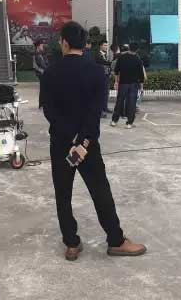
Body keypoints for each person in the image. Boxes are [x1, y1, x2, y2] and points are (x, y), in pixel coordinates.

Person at [41, 21, 146, 261]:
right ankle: (116, 241)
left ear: (64, 42)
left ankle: (71, 243)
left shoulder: (50, 72)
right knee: (100, 191)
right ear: (84, 43)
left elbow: (49, 111)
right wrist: (83, 141)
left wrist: (69, 137)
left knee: (63, 194)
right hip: (87, 145)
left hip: (60, 143)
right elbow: (95, 111)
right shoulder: (96, 71)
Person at [111, 43, 145, 129]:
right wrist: (141, 87)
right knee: (132, 103)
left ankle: (114, 121)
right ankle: (129, 123)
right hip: (134, 84)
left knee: (119, 101)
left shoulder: (122, 58)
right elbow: (141, 75)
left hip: (123, 83)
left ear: (129, 48)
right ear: (137, 50)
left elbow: (116, 71)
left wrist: (116, 82)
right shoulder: (138, 60)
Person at [96, 41, 112, 117]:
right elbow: (103, 63)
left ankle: (105, 108)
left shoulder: (106, 55)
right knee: (101, 93)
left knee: (106, 93)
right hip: (100, 77)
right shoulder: (98, 55)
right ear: (100, 46)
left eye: (106, 45)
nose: (106, 47)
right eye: (105, 45)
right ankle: (101, 110)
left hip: (106, 76)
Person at [33, 39, 49, 109]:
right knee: (43, 88)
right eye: (41, 45)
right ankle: (42, 104)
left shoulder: (42, 53)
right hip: (41, 73)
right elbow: (35, 66)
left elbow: (46, 62)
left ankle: (42, 104)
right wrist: (43, 71)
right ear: (38, 46)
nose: (42, 46)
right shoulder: (35, 54)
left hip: (44, 72)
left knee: (44, 88)